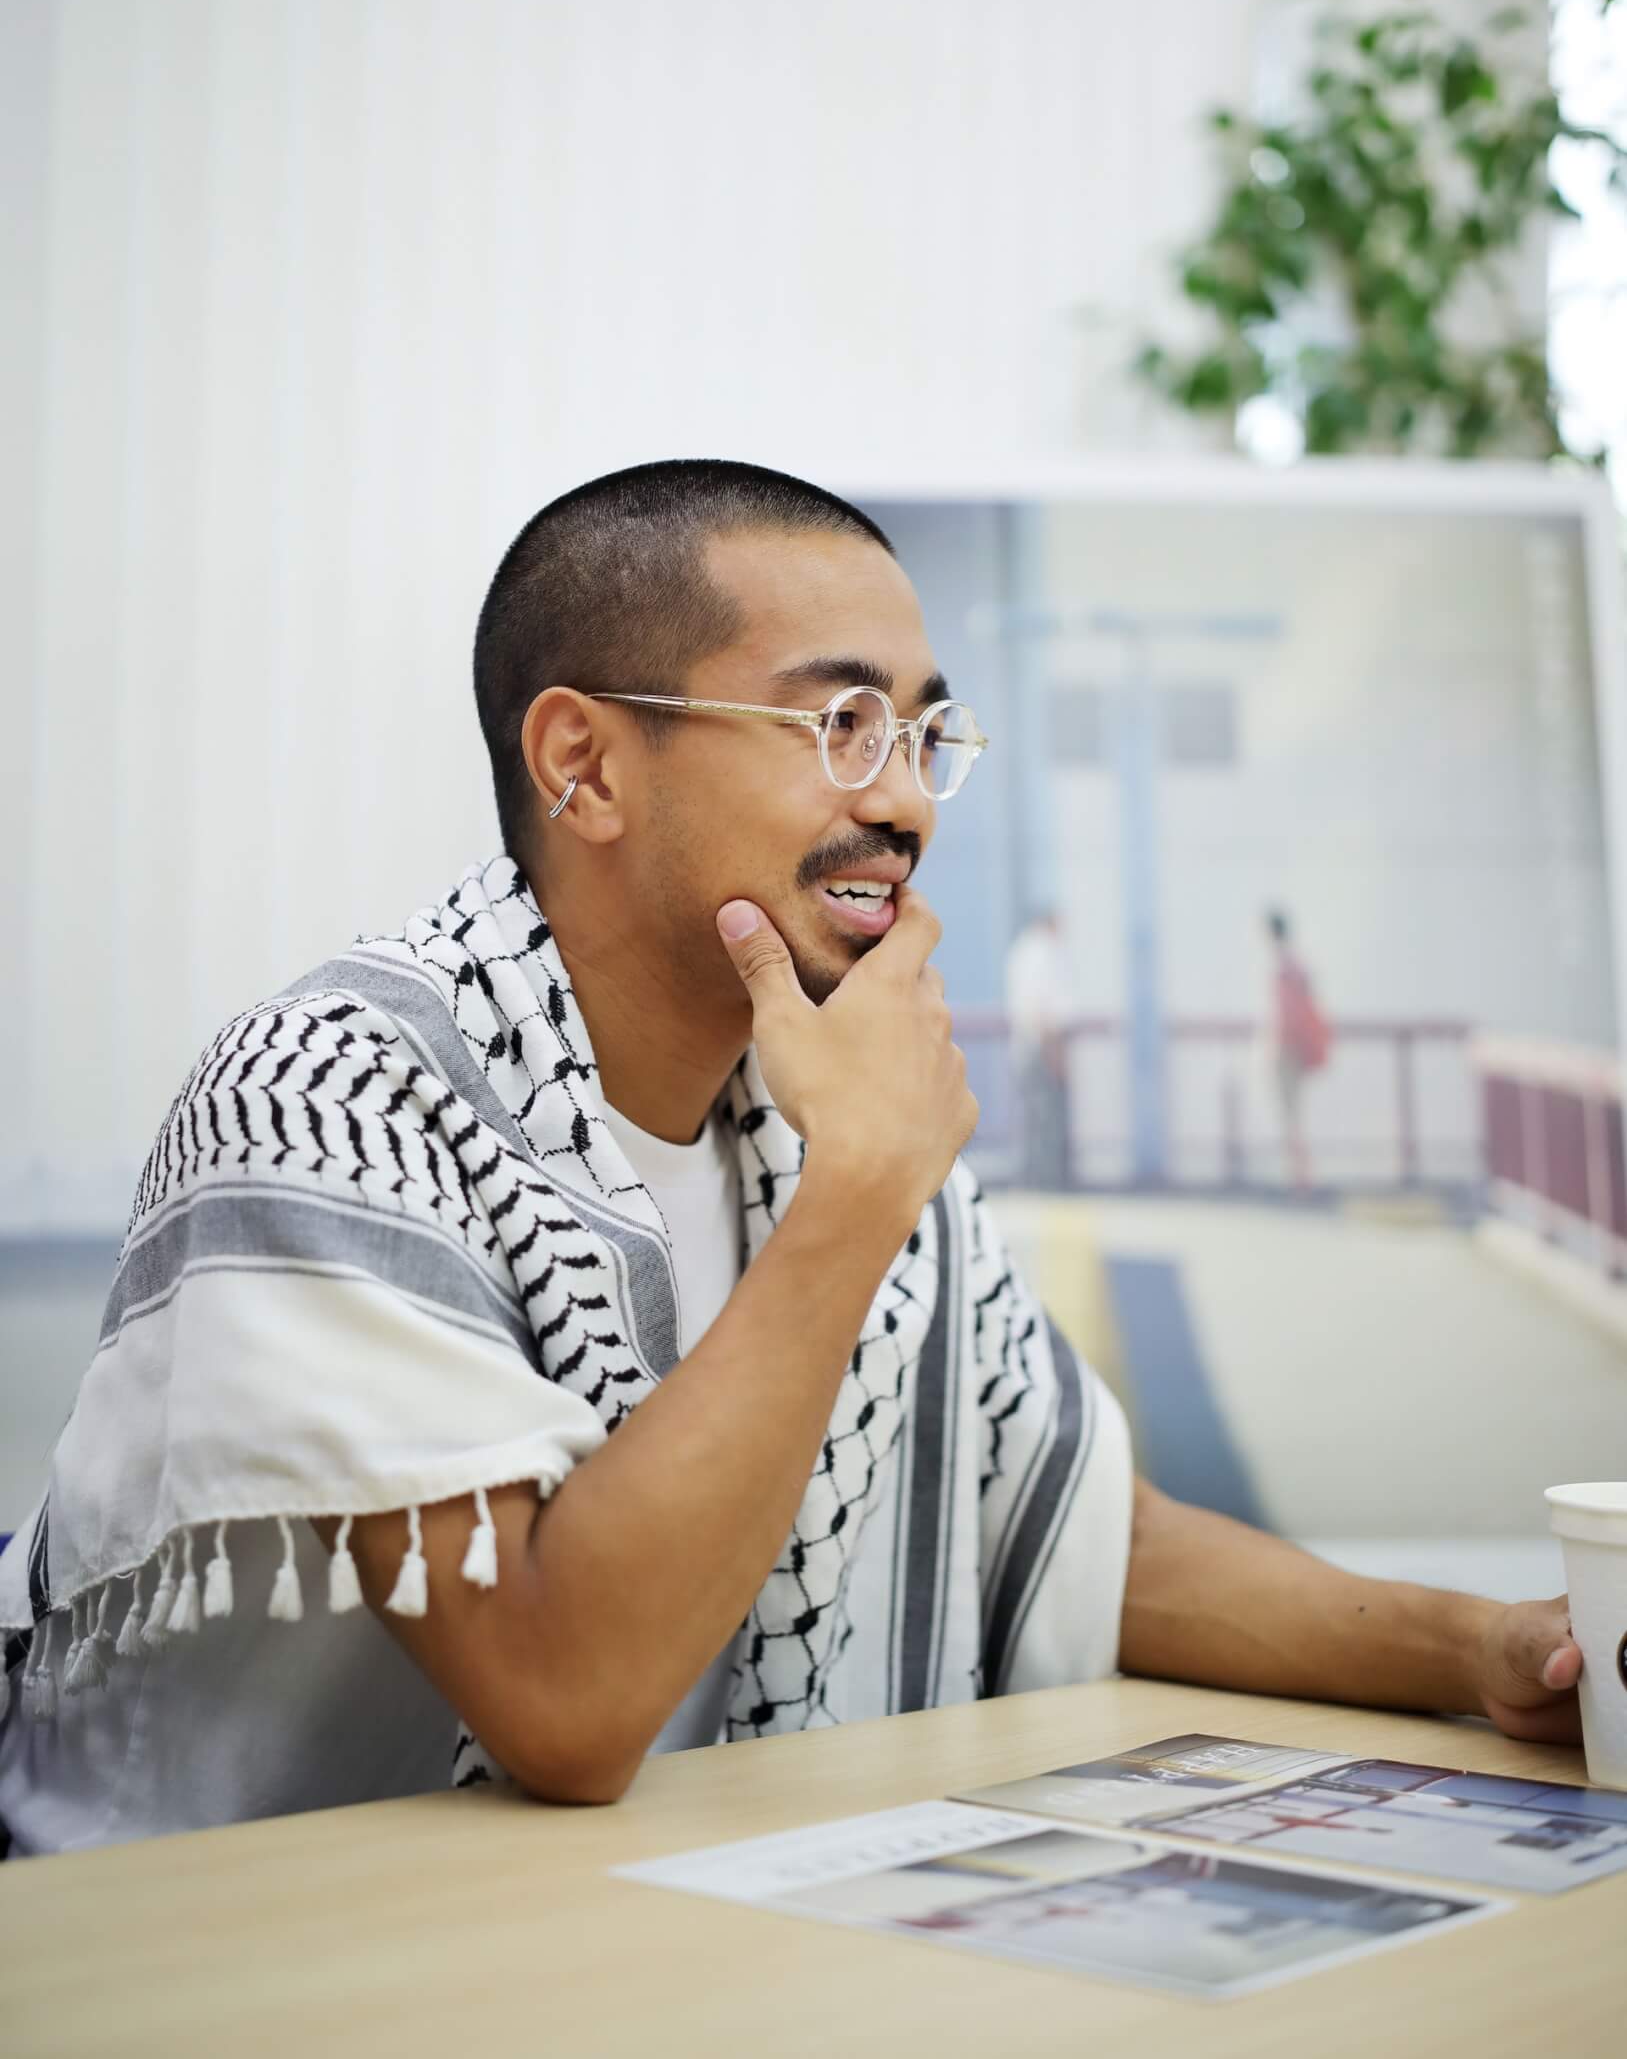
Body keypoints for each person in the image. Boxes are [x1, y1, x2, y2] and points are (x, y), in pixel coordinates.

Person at [0, 461, 1581, 1854]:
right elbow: (563, 1698)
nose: (900, 799)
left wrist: (1484, 1649)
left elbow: (1069, 1532)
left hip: (602, 1963)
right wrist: (857, 1197)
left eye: (921, 733)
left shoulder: (822, 1109)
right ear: (584, 766)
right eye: (836, 723)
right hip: (196, 1973)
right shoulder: (330, 1094)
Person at [1264, 907, 1330, 1194]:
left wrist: (1279, 1045)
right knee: (1293, 1113)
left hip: (1287, 1048)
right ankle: (1299, 1174)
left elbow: (1286, 1011)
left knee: (1291, 1113)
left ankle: (1299, 1176)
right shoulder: (1295, 964)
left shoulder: (1284, 966)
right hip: (1295, 1046)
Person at [1004, 907, 1070, 1189]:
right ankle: (1046, 1179)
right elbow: (1044, 1009)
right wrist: (1054, 1054)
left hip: (1025, 1043)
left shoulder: (1022, 951)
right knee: (1046, 1115)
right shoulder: (1042, 954)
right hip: (1041, 1044)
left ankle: (1033, 1176)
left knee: (1032, 1114)